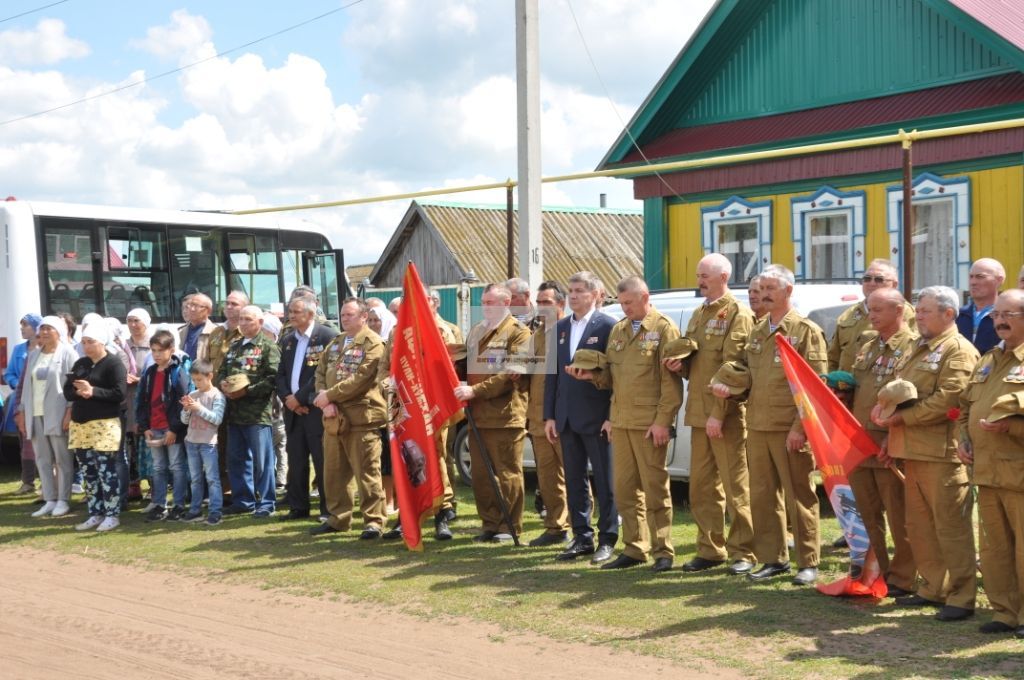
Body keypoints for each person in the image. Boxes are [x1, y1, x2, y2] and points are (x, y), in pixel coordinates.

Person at [714, 264, 827, 585]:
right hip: (758, 426)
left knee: (799, 496)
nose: (763, 294)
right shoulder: (759, 330)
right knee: (763, 497)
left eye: (770, 289)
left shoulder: (805, 331)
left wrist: (799, 429)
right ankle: (772, 559)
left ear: (788, 291)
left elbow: (815, 386)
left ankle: (808, 561)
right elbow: (749, 376)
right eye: (761, 288)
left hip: (789, 428)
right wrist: (730, 388)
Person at [872, 285, 979, 622]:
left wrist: (901, 420)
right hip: (913, 450)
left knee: (950, 528)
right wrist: (893, 438)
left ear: (949, 314)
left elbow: (949, 399)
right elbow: (899, 394)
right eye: (917, 311)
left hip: (942, 454)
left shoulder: (958, 350)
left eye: (925, 311)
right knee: (919, 526)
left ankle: (961, 596)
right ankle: (933, 587)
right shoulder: (919, 348)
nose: (917, 316)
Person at [576, 275, 683, 572]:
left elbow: (671, 384)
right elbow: (613, 379)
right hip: (621, 423)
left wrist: (663, 422)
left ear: (645, 297)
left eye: (629, 303)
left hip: (649, 424)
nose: (625, 309)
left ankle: (663, 550)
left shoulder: (663, 328)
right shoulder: (620, 330)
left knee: (655, 490)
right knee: (624, 490)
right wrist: (593, 378)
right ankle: (635, 548)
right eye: (621, 303)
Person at [669, 254, 756, 575]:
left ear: (723, 276)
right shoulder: (698, 314)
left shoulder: (738, 314)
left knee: (736, 487)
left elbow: (734, 370)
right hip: (698, 412)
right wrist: (683, 365)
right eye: (697, 275)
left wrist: (719, 413)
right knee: (702, 487)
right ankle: (710, 549)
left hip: (726, 414)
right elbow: (700, 362)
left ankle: (744, 552)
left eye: (705, 275)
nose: (699, 281)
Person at [957, 288, 1024, 636]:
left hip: (1018, 471)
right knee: (995, 547)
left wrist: (1010, 426)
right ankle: (1005, 612)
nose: (999, 321)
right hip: (986, 470)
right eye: (996, 315)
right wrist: (963, 439)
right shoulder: (987, 359)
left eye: (1008, 315)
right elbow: (966, 407)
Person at [847, 288, 918, 597]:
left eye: (878, 310)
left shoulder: (912, 347)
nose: (871, 315)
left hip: (886, 444)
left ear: (898, 310)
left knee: (898, 514)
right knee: (866, 513)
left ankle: (903, 578)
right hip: (859, 442)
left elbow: (906, 399)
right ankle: (876, 573)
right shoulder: (868, 345)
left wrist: (892, 437)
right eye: (869, 309)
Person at [544, 271, 617, 563]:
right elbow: (552, 375)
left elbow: (616, 376)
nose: (573, 296)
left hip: (597, 417)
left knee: (605, 481)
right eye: (570, 291)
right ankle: (582, 537)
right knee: (574, 481)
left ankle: (608, 538)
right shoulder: (560, 327)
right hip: (566, 418)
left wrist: (612, 415)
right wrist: (549, 415)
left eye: (579, 291)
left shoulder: (609, 326)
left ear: (595, 294)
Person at [454, 283, 531, 543]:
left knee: (507, 474)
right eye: (484, 302)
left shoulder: (519, 333)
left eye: (492, 302)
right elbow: (464, 365)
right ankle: (489, 524)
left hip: (504, 415)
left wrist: (475, 391)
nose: (486, 307)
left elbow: (508, 376)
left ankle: (509, 526)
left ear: (506, 302)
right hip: (477, 415)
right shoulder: (476, 331)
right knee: (481, 475)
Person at [312, 297, 388, 538]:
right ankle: (338, 519)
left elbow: (361, 379)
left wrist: (329, 397)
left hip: (361, 417)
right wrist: (325, 402)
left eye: (350, 315)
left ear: (364, 317)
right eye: (343, 315)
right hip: (333, 417)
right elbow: (320, 372)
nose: (344, 319)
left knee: (366, 472)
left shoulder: (373, 343)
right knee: (334, 472)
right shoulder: (335, 342)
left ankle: (373, 521)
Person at [276, 297, 338, 521]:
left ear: (311, 314)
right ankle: (298, 507)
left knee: (322, 461)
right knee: (297, 460)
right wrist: (287, 399)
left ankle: (327, 509)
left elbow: (322, 375)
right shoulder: (288, 340)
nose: (291, 316)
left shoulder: (327, 336)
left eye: (296, 312)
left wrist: (300, 399)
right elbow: (280, 373)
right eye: (290, 311)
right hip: (293, 411)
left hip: (316, 409)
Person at [217, 305, 282, 518]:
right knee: (236, 459)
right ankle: (243, 501)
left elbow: (273, 378)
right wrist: (224, 386)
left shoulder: (267, 347)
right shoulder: (234, 347)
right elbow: (221, 373)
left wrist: (247, 391)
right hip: (234, 413)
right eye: (241, 319)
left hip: (257, 413)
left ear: (260, 323)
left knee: (262, 461)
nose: (243, 323)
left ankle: (266, 502)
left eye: (248, 319)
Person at [64, 323, 128, 532]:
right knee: (88, 470)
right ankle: (95, 512)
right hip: (81, 423)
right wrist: (79, 392)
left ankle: (112, 514)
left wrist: (94, 391)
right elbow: (67, 390)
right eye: (83, 342)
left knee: (106, 470)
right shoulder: (81, 362)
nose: (86, 346)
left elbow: (119, 394)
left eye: (90, 342)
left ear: (102, 342)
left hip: (104, 424)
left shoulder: (114, 364)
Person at [523, 280, 570, 548]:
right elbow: (527, 372)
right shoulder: (537, 335)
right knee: (548, 477)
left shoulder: (569, 331)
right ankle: (555, 526)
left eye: (546, 302)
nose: (541, 307)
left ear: (560, 304)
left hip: (564, 417)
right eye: (538, 302)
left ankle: (580, 527)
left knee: (573, 475)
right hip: (539, 417)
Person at [17, 316, 77, 517]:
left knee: (62, 458)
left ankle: (63, 499)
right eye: (42, 329)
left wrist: (69, 411)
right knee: (42, 458)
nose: (43, 332)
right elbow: (27, 385)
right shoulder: (34, 354)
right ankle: (49, 499)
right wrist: (23, 410)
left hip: (58, 412)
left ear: (58, 331)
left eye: (48, 329)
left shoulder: (68, 353)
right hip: (36, 413)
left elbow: (74, 385)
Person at [136, 329, 192, 521]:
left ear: (172, 350)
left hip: (171, 428)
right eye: (153, 350)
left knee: (176, 466)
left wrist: (174, 429)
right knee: (158, 467)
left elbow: (184, 402)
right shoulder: (150, 372)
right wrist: (145, 427)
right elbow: (143, 401)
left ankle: (178, 504)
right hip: (154, 427)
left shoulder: (178, 372)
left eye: (161, 350)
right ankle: (159, 504)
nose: (157, 354)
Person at [829, 259, 916, 373]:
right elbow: (832, 358)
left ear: (894, 285)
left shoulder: (905, 312)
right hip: (846, 387)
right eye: (867, 279)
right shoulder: (848, 315)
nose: (872, 283)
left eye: (879, 279)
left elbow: (915, 351)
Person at [180, 360, 226, 525]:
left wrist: (198, 408)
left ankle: (215, 511)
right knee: (195, 478)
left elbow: (217, 419)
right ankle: (195, 509)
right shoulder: (192, 395)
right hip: (191, 442)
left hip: (208, 444)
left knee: (212, 478)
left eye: (199, 379)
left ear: (210, 376)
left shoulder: (217, 395)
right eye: (194, 380)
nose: (196, 383)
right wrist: (186, 409)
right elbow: (184, 421)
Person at [5, 313, 42, 493]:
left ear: (36, 327)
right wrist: (17, 383)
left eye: (25, 325)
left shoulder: (45, 348)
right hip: (23, 401)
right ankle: (27, 482)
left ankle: (47, 481)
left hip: (42, 401)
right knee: (25, 441)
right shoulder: (19, 349)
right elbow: (9, 373)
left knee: (44, 442)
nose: (22, 329)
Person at [124, 308, 153, 500]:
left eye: (137, 321)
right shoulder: (123, 345)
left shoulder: (152, 345)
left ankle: (153, 485)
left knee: (148, 444)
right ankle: (133, 484)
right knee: (129, 444)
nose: (133, 325)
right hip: (126, 401)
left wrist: (139, 380)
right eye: (129, 321)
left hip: (146, 401)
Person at [956, 258, 1004, 355]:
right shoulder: (958, 315)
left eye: (980, 277)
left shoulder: (1007, 316)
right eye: (971, 277)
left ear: (999, 280)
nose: (973, 282)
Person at [178, 292, 218, 363]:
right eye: (190, 305)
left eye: (196, 306)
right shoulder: (181, 332)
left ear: (208, 311)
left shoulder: (215, 332)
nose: (191, 309)